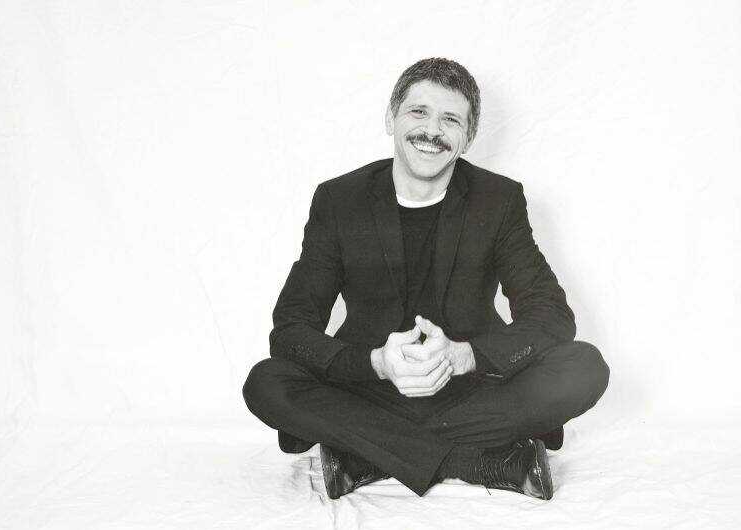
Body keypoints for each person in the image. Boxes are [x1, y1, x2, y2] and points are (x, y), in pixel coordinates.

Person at [242, 57, 609, 500]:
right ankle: (482, 461)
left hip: (472, 389)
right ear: (391, 119)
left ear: (468, 136)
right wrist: (377, 363)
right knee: (267, 382)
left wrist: (464, 357)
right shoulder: (339, 200)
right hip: (370, 388)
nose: (432, 131)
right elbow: (291, 328)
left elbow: (551, 316)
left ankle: (365, 454)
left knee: (584, 366)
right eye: (419, 112)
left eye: (450, 119)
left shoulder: (499, 200)